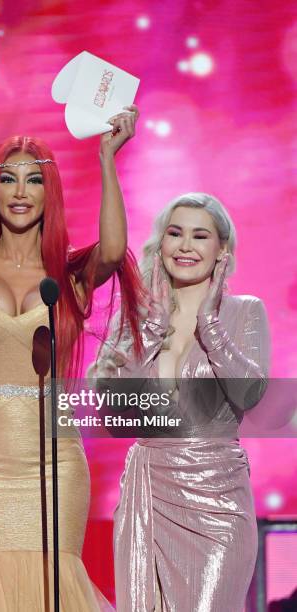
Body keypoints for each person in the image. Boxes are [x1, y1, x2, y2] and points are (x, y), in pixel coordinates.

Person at [0, 36, 144, 611]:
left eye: (33, 178)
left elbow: (118, 247)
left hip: (55, 460)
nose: (20, 190)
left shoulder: (69, 275)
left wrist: (107, 160)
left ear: (49, 191)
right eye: (8, 176)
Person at [90, 193, 270, 611]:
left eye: (200, 235)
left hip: (218, 504)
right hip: (148, 494)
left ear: (221, 249)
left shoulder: (245, 312)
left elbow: (250, 395)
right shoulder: (135, 316)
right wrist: (152, 327)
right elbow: (116, 415)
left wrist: (210, 324)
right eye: (175, 233)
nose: (185, 245)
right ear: (162, 243)